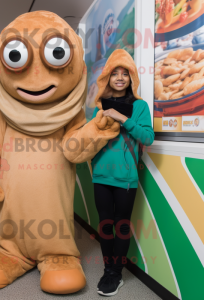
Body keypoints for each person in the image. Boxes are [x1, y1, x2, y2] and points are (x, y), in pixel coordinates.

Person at [91, 50, 154, 296]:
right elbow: (91, 138)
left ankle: (116, 275)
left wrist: (122, 118)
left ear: (131, 78)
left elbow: (148, 137)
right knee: (105, 225)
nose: (119, 78)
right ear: (107, 77)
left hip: (126, 178)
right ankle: (108, 270)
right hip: (101, 176)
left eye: (124, 73)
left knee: (121, 226)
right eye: (114, 73)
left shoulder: (139, 106)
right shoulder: (98, 106)